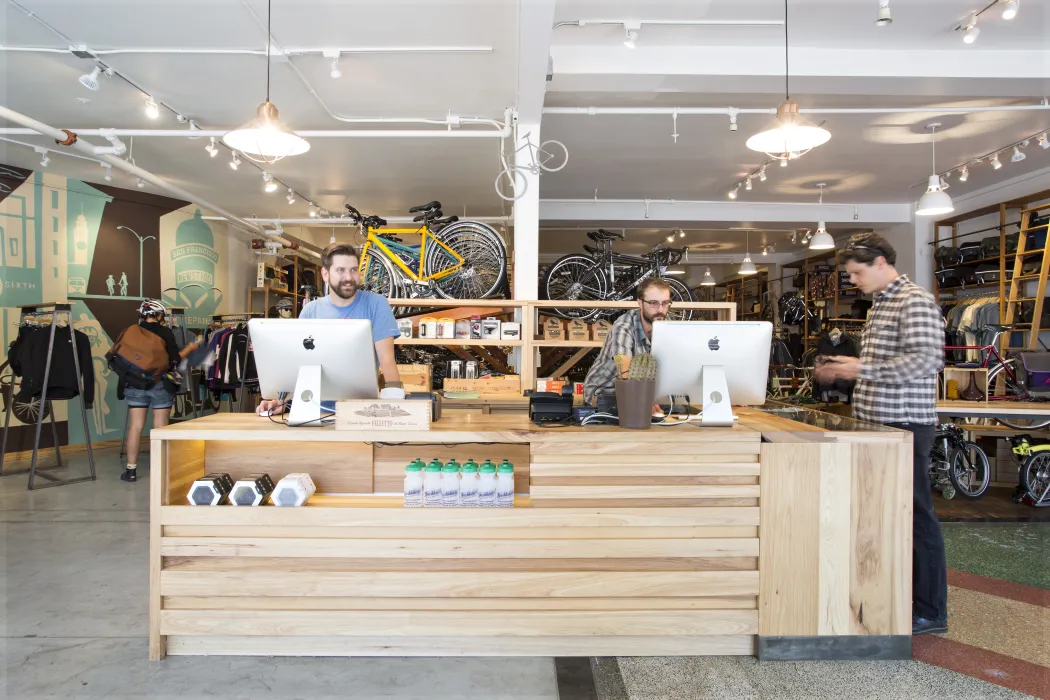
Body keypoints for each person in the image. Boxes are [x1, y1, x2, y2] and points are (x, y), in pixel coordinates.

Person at [814, 232, 948, 635]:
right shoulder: (880, 305)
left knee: (917, 517)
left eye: (856, 273)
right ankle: (893, 596)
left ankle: (930, 611)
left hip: (905, 426)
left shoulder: (915, 301)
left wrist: (860, 369)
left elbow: (927, 362)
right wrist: (848, 368)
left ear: (880, 264)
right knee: (883, 517)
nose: (853, 280)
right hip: (879, 425)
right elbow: (890, 363)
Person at [257, 242, 402, 415]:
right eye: (341, 270)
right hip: (313, 408)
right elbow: (297, 364)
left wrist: (397, 405)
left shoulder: (376, 304)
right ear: (325, 274)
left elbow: (387, 359)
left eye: (353, 270)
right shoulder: (311, 311)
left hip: (361, 409)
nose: (349, 277)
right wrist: (282, 402)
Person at [120, 300, 199, 483]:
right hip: (160, 384)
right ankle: (161, 469)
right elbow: (174, 360)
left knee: (135, 426)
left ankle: (131, 470)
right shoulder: (165, 332)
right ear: (159, 315)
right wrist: (190, 348)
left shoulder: (130, 332)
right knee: (160, 428)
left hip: (135, 383)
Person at [583, 277, 671, 406]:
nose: (660, 310)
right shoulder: (624, 325)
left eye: (665, 303)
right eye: (653, 303)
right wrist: (644, 402)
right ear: (640, 303)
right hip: (603, 394)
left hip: (642, 394)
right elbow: (624, 371)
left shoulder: (668, 325)